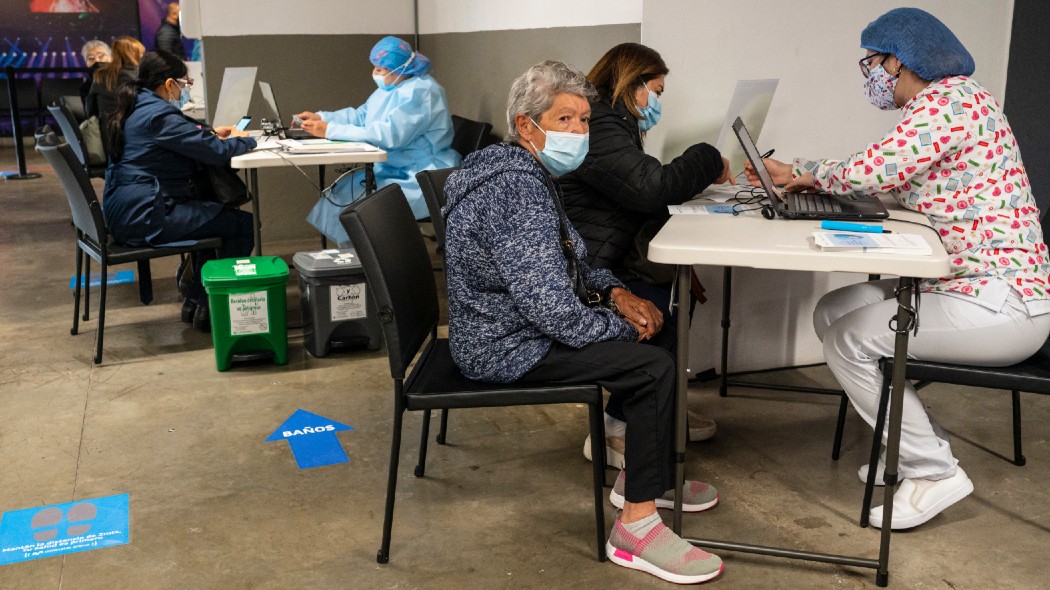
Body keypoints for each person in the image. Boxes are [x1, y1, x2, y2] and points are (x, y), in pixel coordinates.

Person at [748, 8, 1050, 530]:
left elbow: (872, 170)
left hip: (1001, 304)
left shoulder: (952, 101)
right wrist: (809, 179)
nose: (870, 75)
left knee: (847, 340)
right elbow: (895, 183)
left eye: (873, 63)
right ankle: (913, 443)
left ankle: (933, 471)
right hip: (967, 287)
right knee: (835, 309)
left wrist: (801, 171)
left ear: (900, 60)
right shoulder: (955, 103)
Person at [442, 60, 723, 584]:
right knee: (652, 366)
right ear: (527, 126)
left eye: (584, 121)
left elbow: (571, 254)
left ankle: (642, 482)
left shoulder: (527, 171)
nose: (578, 133)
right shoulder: (516, 191)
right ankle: (636, 529)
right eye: (565, 120)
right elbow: (552, 310)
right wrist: (624, 326)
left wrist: (615, 291)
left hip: (509, 327)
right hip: (505, 345)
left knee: (652, 345)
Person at [559, 43, 732, 464]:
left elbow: (637, 195)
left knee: (681, 286)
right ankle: (619, 424)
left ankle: (660, 403)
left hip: (603, 252)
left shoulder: (614, 121)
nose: (657, 102)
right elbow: (651, 188)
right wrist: (709, 156)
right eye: (656, 90)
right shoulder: (599, 124)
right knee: (666, 298)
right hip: (586, 267)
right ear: (631, 84)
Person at [103, 50, 256, 331]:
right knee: (241, 225)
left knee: (211, 216)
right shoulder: (159, 115)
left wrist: (205, 132)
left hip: (127, 210)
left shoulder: (138, 105)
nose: (185, 91)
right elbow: (217, 153)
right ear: (169, 83)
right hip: (144, 216)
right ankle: (211, 303)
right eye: (185, 85)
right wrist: (246, 140)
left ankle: (196, 300)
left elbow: (187, 140)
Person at [294, 35, 460, 245]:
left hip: (421, 174)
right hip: (395, 167)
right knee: (342, 194)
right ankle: (351, 265)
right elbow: (362, 116)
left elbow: (388, 135)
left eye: (380, 69)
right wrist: (323, 117)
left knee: (359, 206)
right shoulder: (391, 88)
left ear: (400, 67)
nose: (375, 74)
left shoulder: (421, 92)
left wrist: (330, 130)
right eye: (374, 67)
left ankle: (370, 266)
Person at [86, 36, 145, 155]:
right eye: (142, 53)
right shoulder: (141, 77)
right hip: (138, 144)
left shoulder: (100, 75)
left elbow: (90, 110)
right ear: (134, 54)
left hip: (108, 143)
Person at [79, 39, 111, 104]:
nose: (96, 60)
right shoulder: (86, 88)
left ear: (111, 58)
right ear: (86, 63)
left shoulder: (123, 79)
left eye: (101, 56)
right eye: (91, 58)